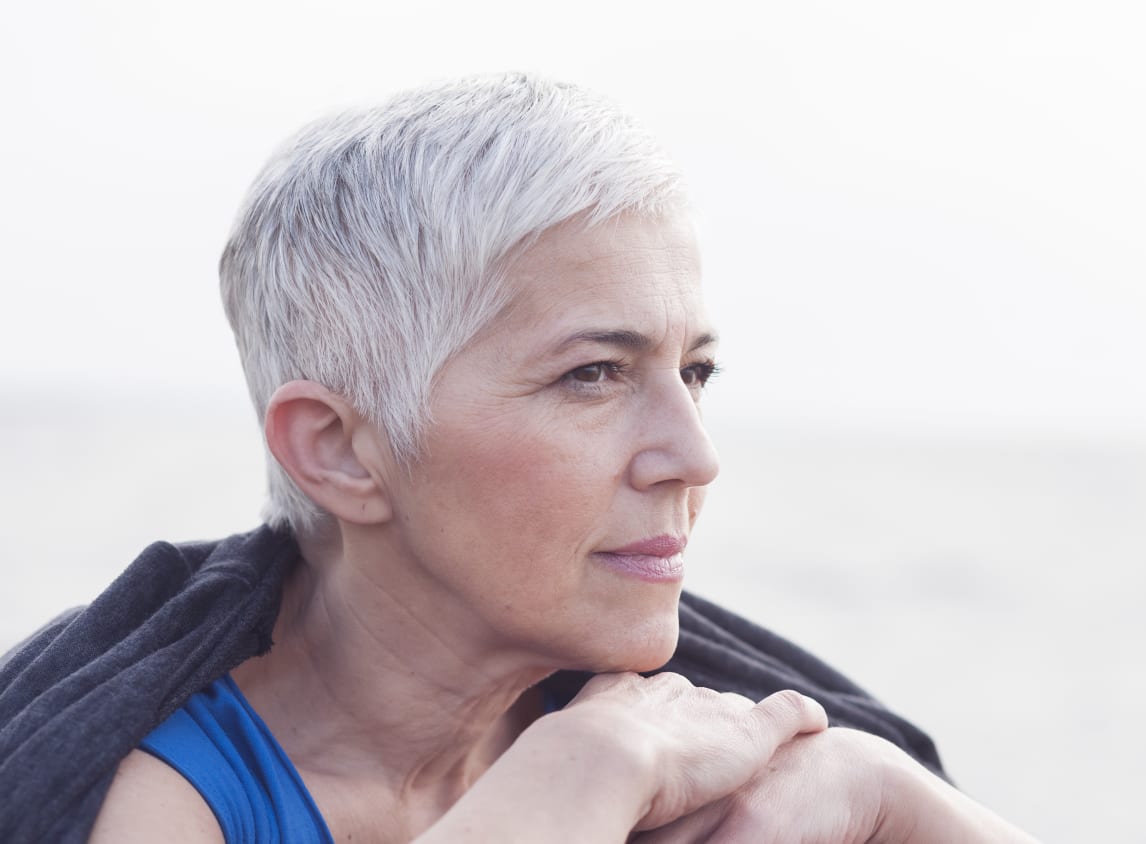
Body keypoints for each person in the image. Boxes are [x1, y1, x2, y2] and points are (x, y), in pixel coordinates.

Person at [0, 74, 1038, 843]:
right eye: (594, 374)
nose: (694, 455)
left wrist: (887, 792)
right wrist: (579, 778)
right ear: (341, 450)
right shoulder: (173, 802)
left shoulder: (701, 751)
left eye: (698, 371)